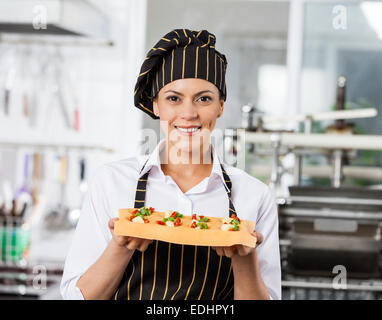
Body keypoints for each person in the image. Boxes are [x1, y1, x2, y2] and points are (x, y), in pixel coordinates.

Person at [60, 28, 281, 300]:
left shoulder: (254, 196)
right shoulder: (112, 182)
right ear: (155, 105)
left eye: (204, 99)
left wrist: (245, 258)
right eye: (173, 98)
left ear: (221, 106)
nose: (188, 113)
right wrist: (121, 245)